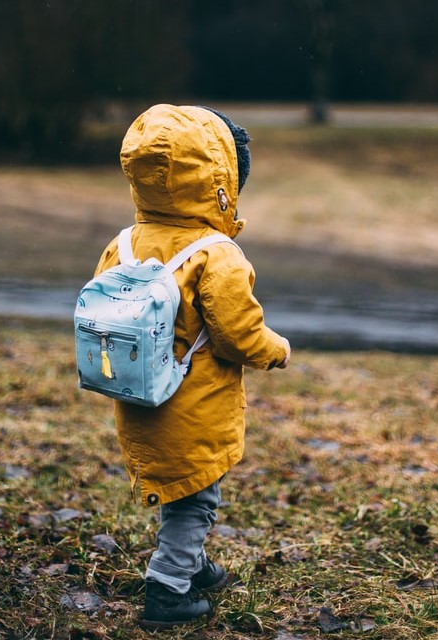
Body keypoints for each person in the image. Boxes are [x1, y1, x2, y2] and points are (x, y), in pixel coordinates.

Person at [93, 104, 291, 630]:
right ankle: (168, 587)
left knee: (182, 487)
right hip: (194, 404)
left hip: (139, 398)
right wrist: (276, 349)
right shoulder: (216, 254)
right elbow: (238, 333)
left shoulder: (125, 244)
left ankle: (192, 564)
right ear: (220, 181)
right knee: (197, 497)